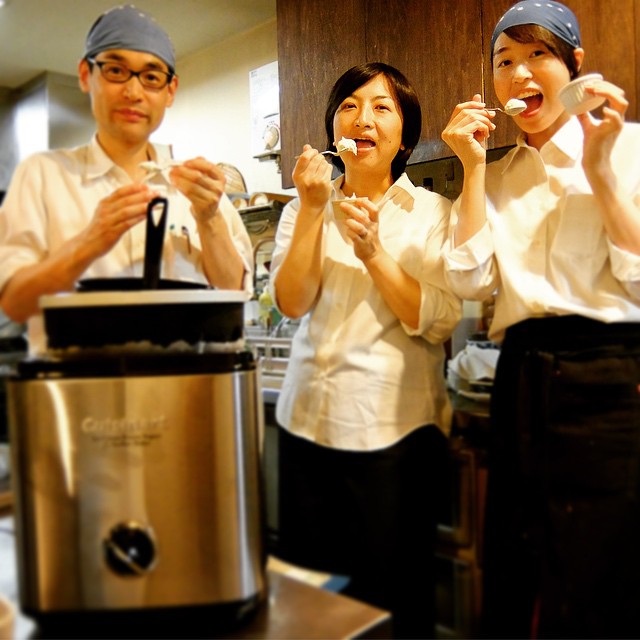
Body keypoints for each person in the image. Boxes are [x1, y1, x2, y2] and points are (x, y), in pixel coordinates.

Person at [441, 1, 640, 637]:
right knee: (515, 557)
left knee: (597, 568)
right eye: (504, 61)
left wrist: (600, 172)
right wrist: (472, 167)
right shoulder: (497, 175)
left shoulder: (630, 148)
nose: (520, 74)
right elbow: (470, 281)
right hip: (522, 374)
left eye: (538, 55)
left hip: (611, 376)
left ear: (575, 64)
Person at [269, 62, 461, 638]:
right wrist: (311, 209)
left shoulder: (433, 213)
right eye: (349, 106)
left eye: (382, 108)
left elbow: (438, 320)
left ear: (404, 136)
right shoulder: (303, 206)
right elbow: (292, 302)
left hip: (394, 437)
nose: (363, 119)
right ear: (333, 127)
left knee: (393, 604)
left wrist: (374, 252)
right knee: (311, 601)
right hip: (307, 426)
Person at [0, 5, 252, 353]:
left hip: (186, 379)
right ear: (86, 75)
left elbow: (233, 293)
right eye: (116, 71)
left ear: (170, 90)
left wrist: (209, 219)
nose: (133, 92)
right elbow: (15, 303)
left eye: (151, 77)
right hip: (77, 380)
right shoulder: (43, 175)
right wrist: (89, 242)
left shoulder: (199, 189)